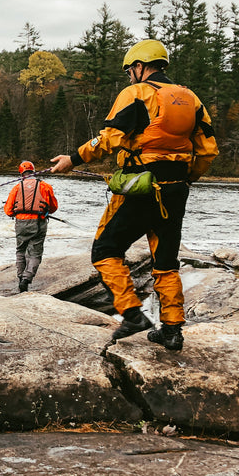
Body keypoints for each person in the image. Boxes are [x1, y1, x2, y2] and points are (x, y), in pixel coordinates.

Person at [49, 39, 218, 350]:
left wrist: (72, 160)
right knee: (166, 261)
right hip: (176, 190)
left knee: (105, 251)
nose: (129, 75)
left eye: (130, 70)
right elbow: (208, 151)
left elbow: (109, 139)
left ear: (140, 67)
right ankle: (171, 329)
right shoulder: (192, 99)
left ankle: (131, 313)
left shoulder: (136, 93)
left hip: (140, 186)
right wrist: (186, 179)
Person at [3, 160, 58, 292]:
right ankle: (26, 279)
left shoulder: (16, 187)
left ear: (21, 174)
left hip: (21, 224)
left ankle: (21, 277)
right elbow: (53, 207)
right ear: (34, 171)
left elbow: (8, 211)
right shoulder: (45, 186)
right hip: (38, 223)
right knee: (35, 253)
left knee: (20, 250)